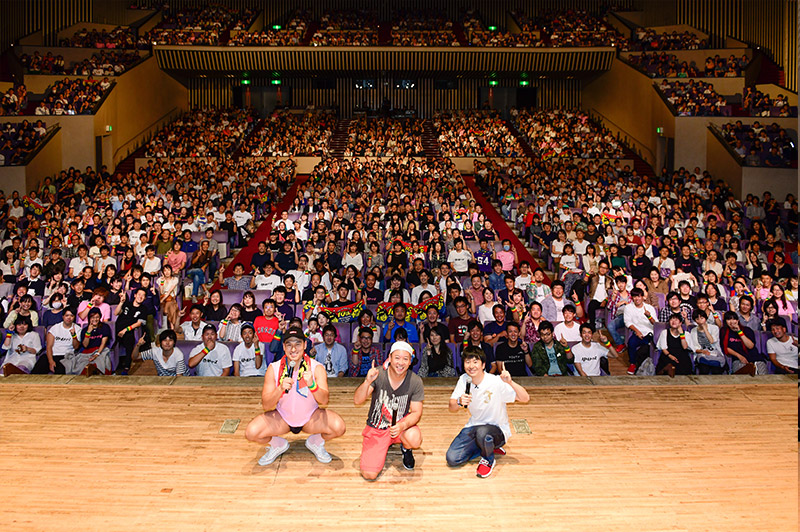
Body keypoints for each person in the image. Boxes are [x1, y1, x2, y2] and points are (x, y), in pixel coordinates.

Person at [245, 327, 346, 465]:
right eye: (289, 344)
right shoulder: (273, 368)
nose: (293, 349)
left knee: (338, 427)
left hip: (311, 418)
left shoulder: (317, 368)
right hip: (283, 418)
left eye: (298, 344)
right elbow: (266, 405)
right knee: (251, 432)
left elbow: (324, 401)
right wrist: (279, 388)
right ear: (284, 347)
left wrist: (312, 385)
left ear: (305, 345)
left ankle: (315, 442)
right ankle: (277, 444)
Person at [446, 345, 530, 478]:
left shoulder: (495, 381)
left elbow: (525, 398)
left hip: (497, 430)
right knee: (453, 458)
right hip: (474, 426)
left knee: (483, 433)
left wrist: (510, 382)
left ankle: (488, 459)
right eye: (467, 362)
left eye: (475, 362)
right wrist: (459, 401)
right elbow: (451, 406)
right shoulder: (464, 380)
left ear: (483, 365)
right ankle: (486, 446)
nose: (471, 366)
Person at [354, 341, 423, 480]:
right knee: (369, 474)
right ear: (390, 358)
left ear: (410, 362)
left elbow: (416, 412)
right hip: (377, 427)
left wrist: (402, 425)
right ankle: (383, 446)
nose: (400, 363)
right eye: (397, 358)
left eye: (405, 359)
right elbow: (358, 400)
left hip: (398, 427)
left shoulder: (415, 381)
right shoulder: (378, 374)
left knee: (414, 438)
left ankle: (406, 448)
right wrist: (367, 382)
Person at [623, 287, 657, 375]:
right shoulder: (628, 308)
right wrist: (637, 331)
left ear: (642, 297)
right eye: (634, 297)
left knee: (645, 349)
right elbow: (627, 322)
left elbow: (656, 324)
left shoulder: (649, 308)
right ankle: (632, 364)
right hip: (637, 332)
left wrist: (649, 317)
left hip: (650, 333)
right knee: (631, 343)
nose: (637, 299)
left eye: (638, 296)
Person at [44, 307, 80, 374]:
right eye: (67, 315)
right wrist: (51, 361)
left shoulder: (78, 329)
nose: (69, 318)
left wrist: (74, 336)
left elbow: (76, 347)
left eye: (71, 316)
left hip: (65, 356)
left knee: (60, 371)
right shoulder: (54, 328)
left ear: (74, 317)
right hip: (52, 355)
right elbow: (49, 347)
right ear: (63, 316)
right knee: (39, 367)